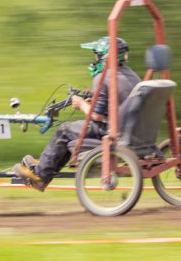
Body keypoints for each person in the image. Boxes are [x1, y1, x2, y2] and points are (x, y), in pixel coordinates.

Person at [13, 36, 142, 191]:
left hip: (113, 133)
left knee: (65, 130)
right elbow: (118, 103)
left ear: (105, 56)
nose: (95, 59)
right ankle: (43, 170)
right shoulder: (133, 76)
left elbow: (97, 116)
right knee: (73, 133)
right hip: (132, 131)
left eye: (96, 55)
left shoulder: (103, 77)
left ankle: (40, 174)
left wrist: (81, 104)